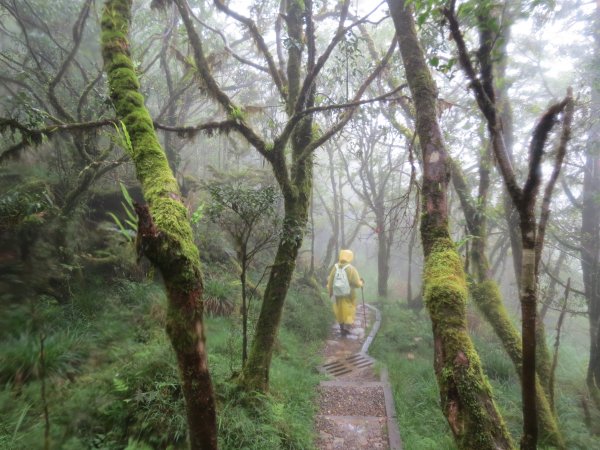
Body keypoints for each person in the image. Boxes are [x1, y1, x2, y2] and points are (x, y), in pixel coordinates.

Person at [327, 249, 364, 336]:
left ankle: (341, 327)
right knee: (349, 309)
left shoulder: (335, 267)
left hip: (338, 294)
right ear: (350, 257)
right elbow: (357, 283)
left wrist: (330, 292)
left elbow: (330, 282)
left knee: (340, 309)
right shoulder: (351, 269)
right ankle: (347, 327)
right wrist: (361, 283)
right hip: (349, 294)